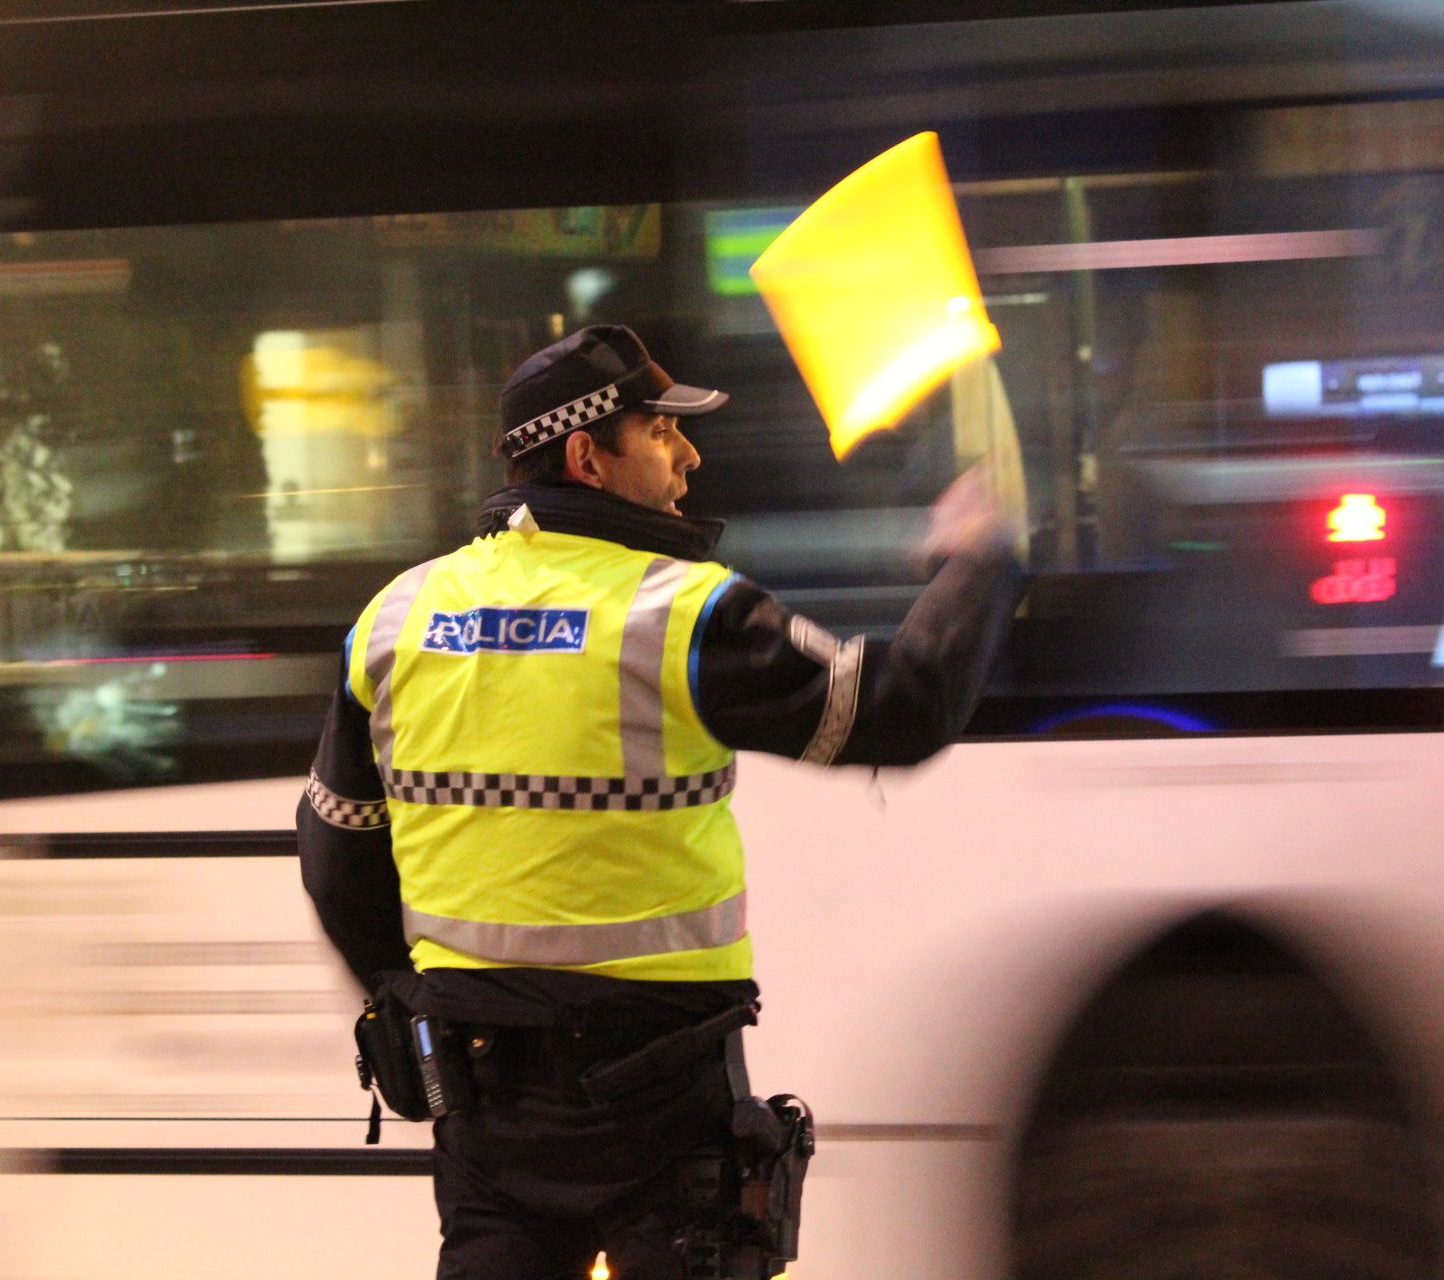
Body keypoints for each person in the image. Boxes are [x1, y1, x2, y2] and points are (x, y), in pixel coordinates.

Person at [297, 324, 1025, 1280]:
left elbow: (336, 846)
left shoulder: (398, 618)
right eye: (658, 433)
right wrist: (981, 559)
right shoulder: (679, 615)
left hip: (484, 1099)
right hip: (659, 1102)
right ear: (586, 457)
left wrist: (414, 999)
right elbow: (900, 709)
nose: (688, 454)